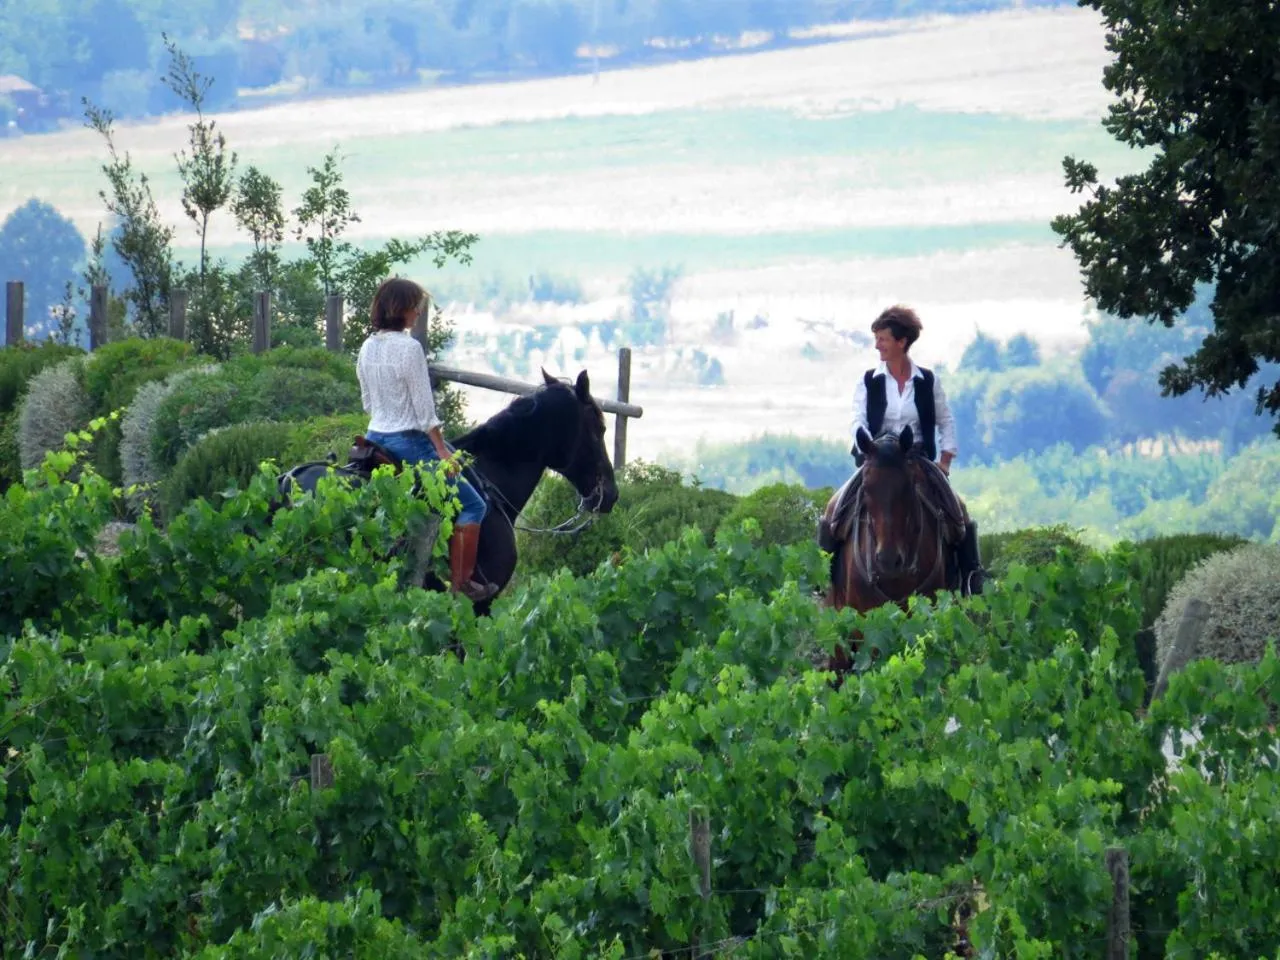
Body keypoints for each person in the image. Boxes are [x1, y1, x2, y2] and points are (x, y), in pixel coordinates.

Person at [356, 277, 498, 602]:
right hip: (409, 441)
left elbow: (367, 401)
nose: (418, 313)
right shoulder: (409, 348)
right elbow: (424, 412)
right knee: (474, 505)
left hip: (375, 436)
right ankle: (462, 585)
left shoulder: (367, 347)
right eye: (416, 307)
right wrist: (441, 452)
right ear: (402, 308)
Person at [829, 304, 984, 594]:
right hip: (876, 458)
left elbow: (945, 419)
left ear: (902, 342)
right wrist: (863, 440)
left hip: (914, 459)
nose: (877, 345)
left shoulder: (927, 381)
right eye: (877, 339)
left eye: (883, 339)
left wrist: (946, 459)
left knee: (958, 511)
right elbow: (857, 417)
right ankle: (822, 581)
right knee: (834, 510)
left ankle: (972, 578)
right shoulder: (868, 380)